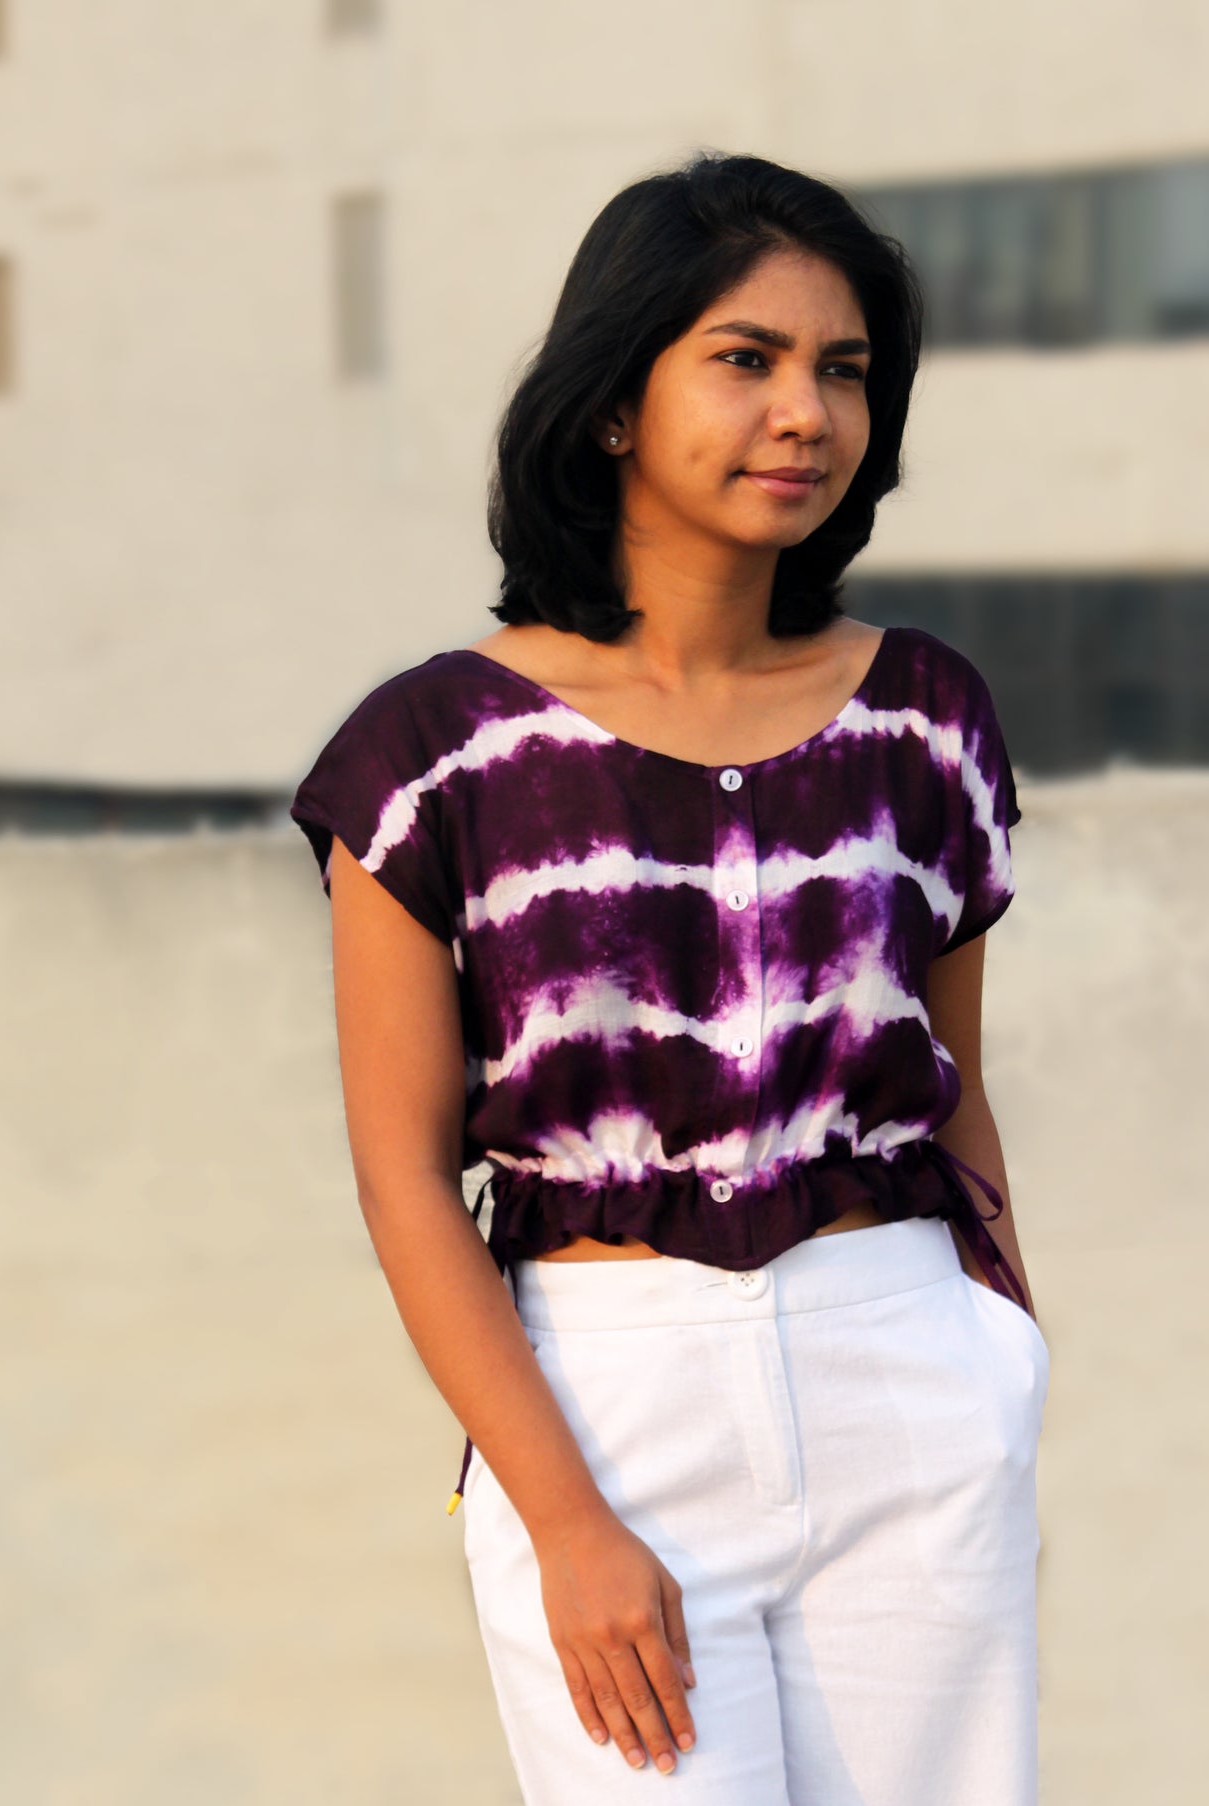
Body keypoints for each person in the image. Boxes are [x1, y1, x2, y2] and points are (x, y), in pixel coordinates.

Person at [290, 149, 1046, 1805]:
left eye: (843, 370)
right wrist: (562, 1517)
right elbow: (405, 1175)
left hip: (903, 1367)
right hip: (604, 1395)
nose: (806, 412)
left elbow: (952, 1078)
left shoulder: (924, 714)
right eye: (745, 358)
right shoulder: (433, 754)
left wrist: (1002, 1355)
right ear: (615, 402)